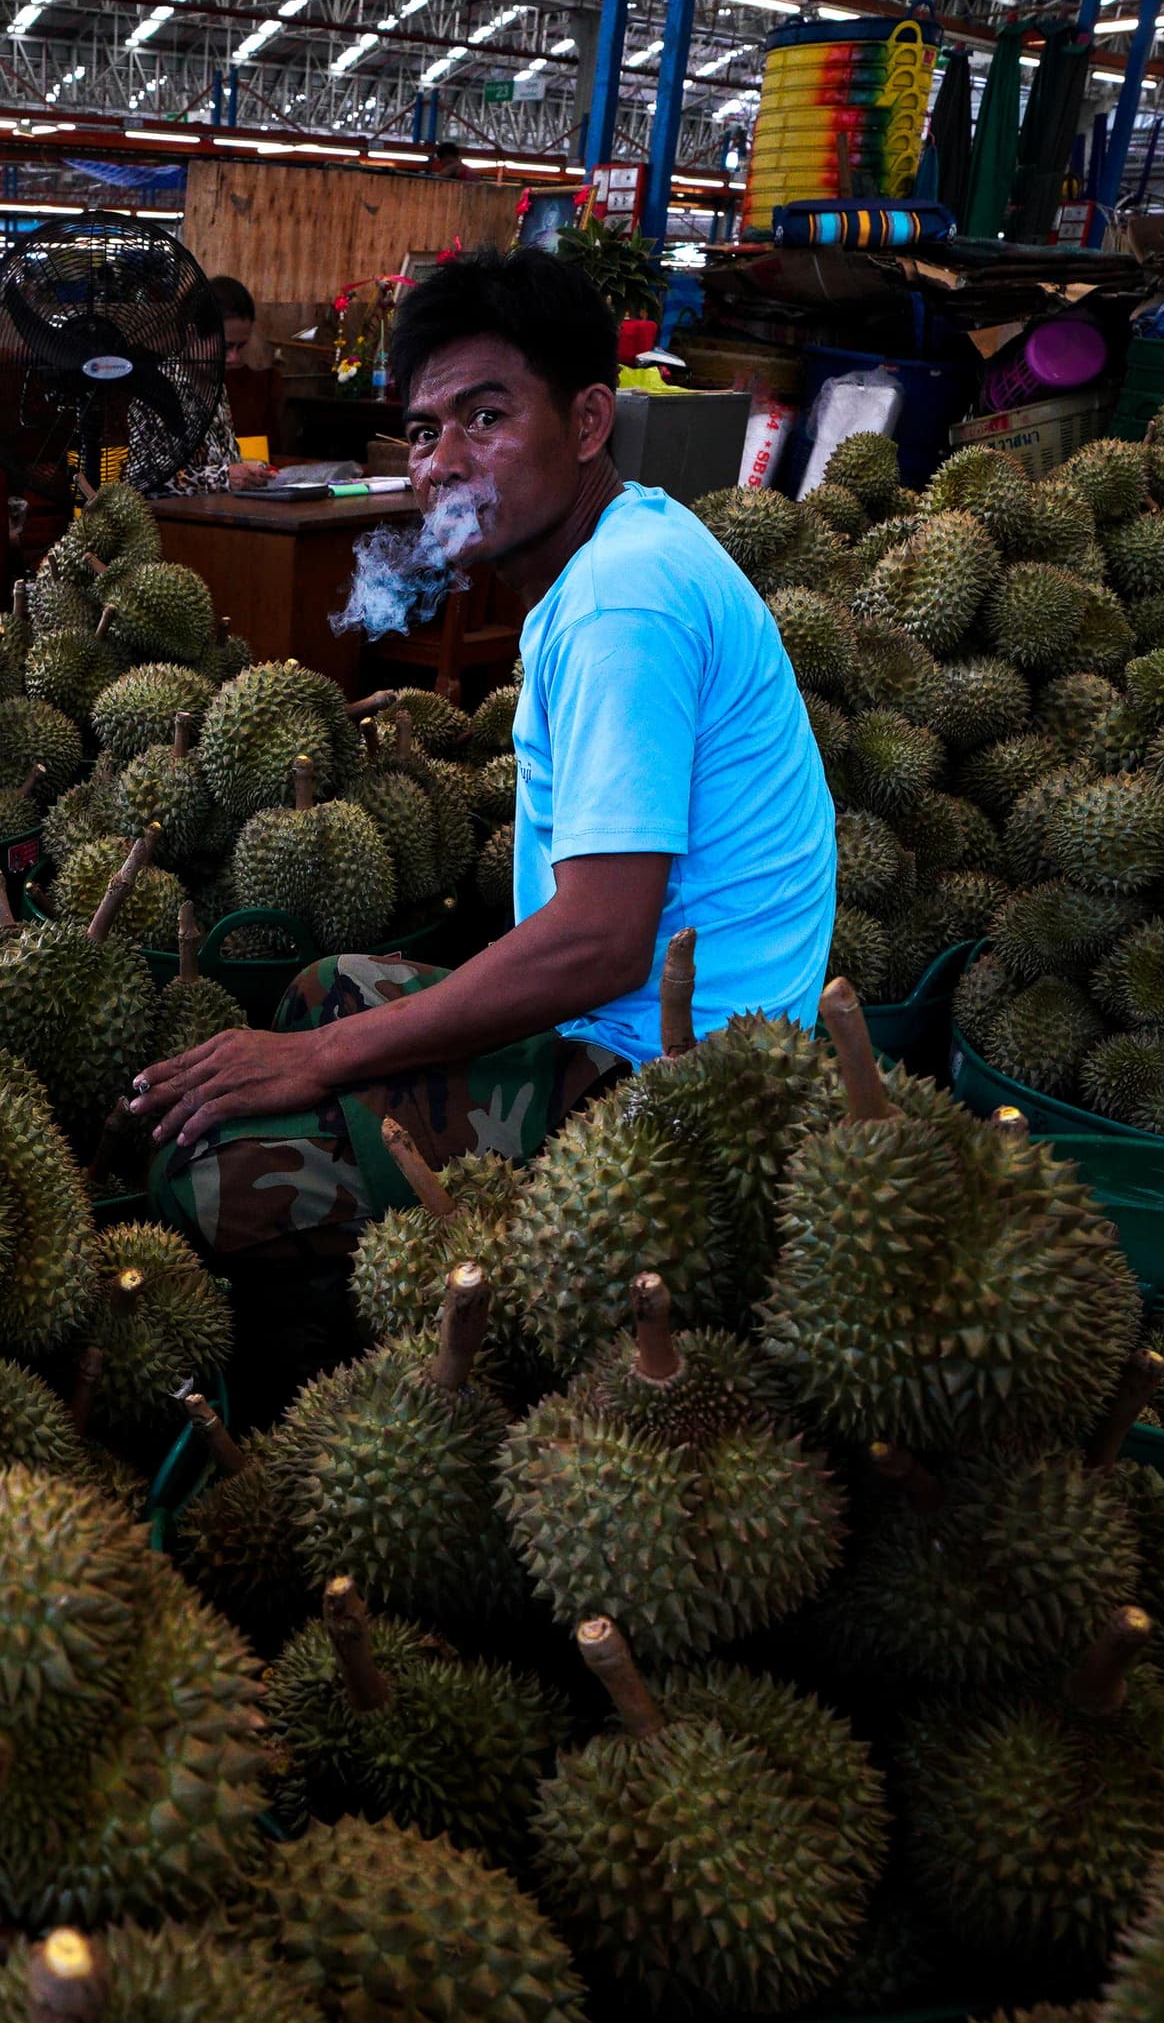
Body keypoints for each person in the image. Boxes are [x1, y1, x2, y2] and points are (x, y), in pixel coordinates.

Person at [134, 246, 834, 1267]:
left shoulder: (619, 604)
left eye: (488, 418)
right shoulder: (622, 551)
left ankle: (422, 1347)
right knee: (321, 985)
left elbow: (601, 943)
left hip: (679, 1088)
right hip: (627, 1022)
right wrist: (320, 1044)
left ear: (589, 422)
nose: (443, 461)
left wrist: (319, 1061)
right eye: (424, 431)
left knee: (207, 1176)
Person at [125, 273, 271, 496]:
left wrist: (252, 473)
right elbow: (142, 483)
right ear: (192, 333)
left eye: (241, 347)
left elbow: (225, 462)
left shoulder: (216, 387)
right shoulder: (157, 389)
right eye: (225, 347)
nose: (233, 358)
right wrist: (224, 478)